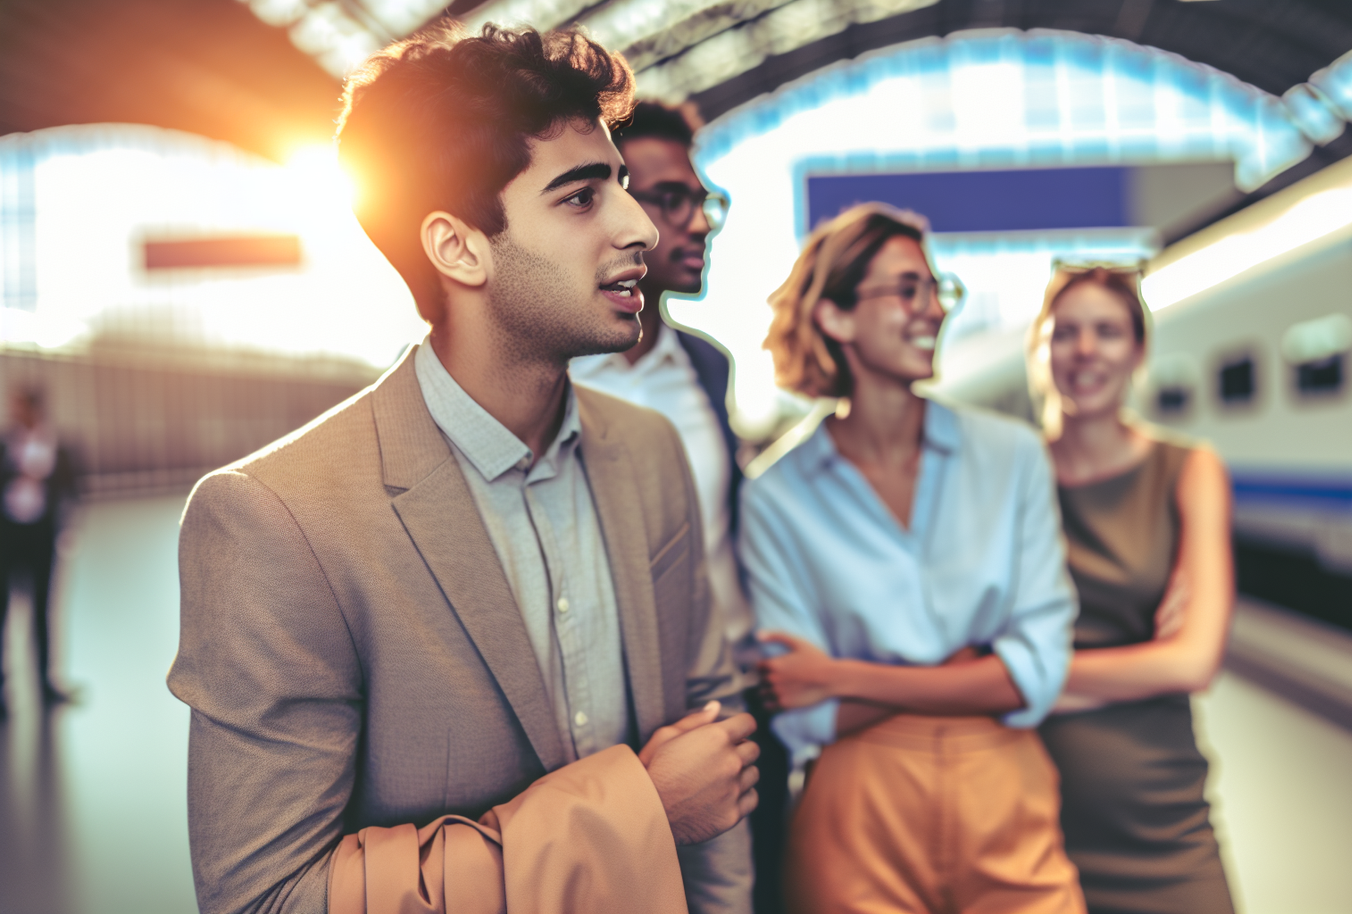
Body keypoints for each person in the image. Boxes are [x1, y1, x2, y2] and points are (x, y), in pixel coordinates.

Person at [167, 24, 759, 914]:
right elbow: (268, 897)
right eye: (581, 197)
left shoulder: (650, 452)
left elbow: (714, 750)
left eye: (623, 187)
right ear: (457, 247)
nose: (639, 225)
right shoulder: (278, 520)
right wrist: (639, 815)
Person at [741, 203, 1085, 914]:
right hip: (855, 815)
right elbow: (801, 715)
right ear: (836, 317)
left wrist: (840, 675)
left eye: (935, 289)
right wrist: (971, 671)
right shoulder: (774, 496)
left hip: (1004, 792)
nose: (933, 309)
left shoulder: (1013, 457)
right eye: (907, 290)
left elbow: (1038, 672)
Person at [569, 100, 785, 914]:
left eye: (702, 201)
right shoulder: (551, 375)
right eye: (670, 200)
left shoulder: (706, 367)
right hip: (610, 732)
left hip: (734, 711)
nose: (697, 223)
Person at [1029, 265, 1236, 914]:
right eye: (1066, 333)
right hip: (1027, 822)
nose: (1086, 351)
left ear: (1139, 352)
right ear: (1041, 351)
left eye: (1108, 332)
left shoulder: (1189, 469)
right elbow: (966, 647)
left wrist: (1023, 679)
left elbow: (1192, 662)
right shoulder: (1008, 476)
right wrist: (1143, 662)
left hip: (1165, 821)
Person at [0, 387, 75, 717]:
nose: (12, 412)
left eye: (18, 406)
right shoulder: (5, 444)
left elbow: (71, 488)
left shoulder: (57, 443)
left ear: (33, 409)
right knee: (2, 612)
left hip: (41, 537)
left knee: (42, 610)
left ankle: (44, 684)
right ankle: (2, 691)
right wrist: (17, 471)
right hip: (7, 537)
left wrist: (68, 530)